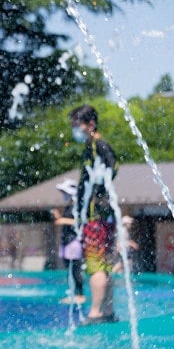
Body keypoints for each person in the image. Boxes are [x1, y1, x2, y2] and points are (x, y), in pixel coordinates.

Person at [69, 105, 119, 326]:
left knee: (95, 264)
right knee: (105, 264)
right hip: (103, 217)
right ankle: (107, 310)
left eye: (77, 125)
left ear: (91, 124)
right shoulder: (93, 145)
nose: (75, 130)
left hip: (95, 218)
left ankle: (96, 312)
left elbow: (113, 164)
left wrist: (98, 194)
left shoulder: (97, 144)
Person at [50, 178, 86, 305]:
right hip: (66, 241)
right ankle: (73, 293)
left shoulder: (79, 207)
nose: (63, 195)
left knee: (76, 268)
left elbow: (82, 222)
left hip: (74, 241)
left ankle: (80, 295)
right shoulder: (69, 207)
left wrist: (63, 220)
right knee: (69, 269)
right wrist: (59, 216)